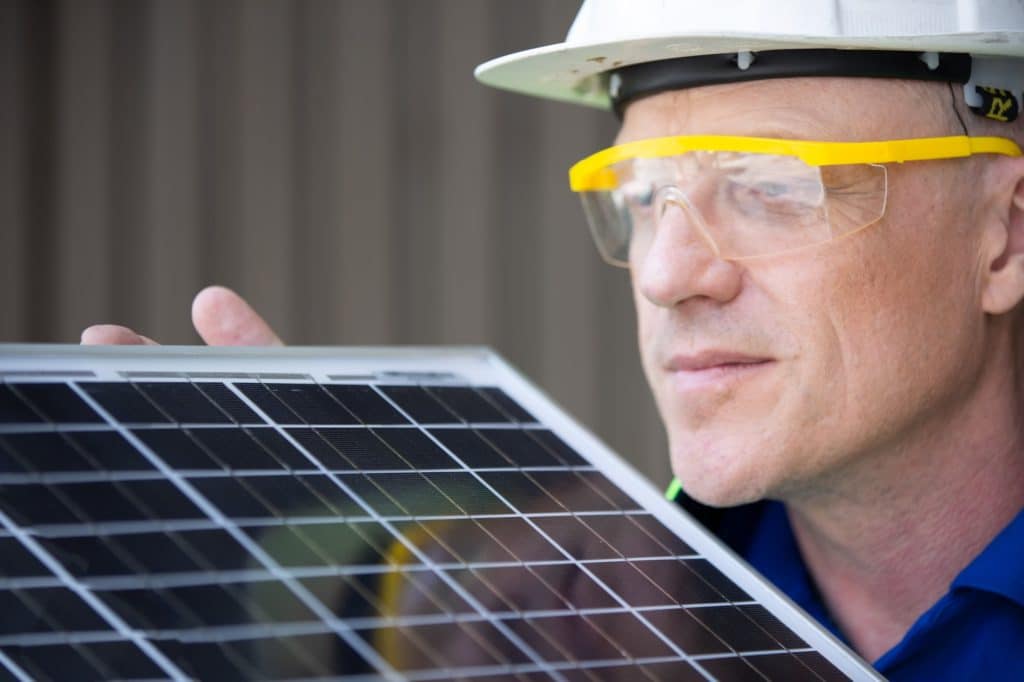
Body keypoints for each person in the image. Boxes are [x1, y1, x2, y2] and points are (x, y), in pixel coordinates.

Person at [84, 1, 1024, 678]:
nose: (665, 275)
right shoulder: (577, 616)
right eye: (643, 197)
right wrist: (231, 537)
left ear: (1005, 237)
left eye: (772, 184)